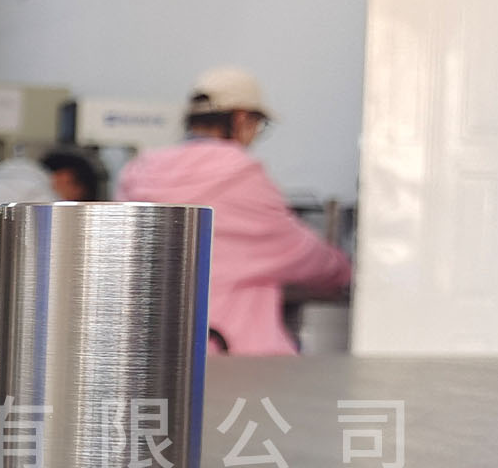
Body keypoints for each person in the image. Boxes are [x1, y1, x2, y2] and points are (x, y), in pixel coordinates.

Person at [117, 66, 350, 355]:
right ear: (241, 119)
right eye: (258, 125)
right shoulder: (240, 173)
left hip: (155, 351)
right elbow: (303, 254)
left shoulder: (139, 170)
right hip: (234, 351)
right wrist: (346, 270)